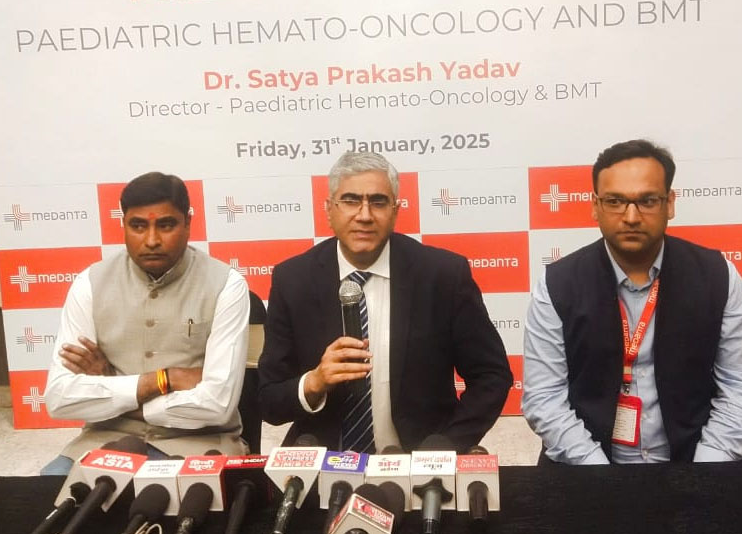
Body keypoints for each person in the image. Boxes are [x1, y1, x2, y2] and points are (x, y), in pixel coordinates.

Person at [522, 139, 742, 464]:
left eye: (648, 201)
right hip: (587, 463)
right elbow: (544, 398)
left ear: (670, 203)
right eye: (615, 201)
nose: (632, 216)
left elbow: (740, 385)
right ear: (595, 206)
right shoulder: (557, 285)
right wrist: (599, 474)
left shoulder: (719, 276)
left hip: (696, 458)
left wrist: (704, 472)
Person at [258, 151, 512, 452]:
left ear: (395, 210)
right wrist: (315, 382)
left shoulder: (442, 275)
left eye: (378, 202)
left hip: (418, 463)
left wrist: (446, 445)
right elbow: (269, 400)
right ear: (329, 210)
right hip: (324, 462)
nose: (364, 215)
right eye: (351, 200)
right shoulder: (293, 280)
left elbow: (492, 376)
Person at [42, 172, 249, 473]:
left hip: (198, 444)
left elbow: (218, 405)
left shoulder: (226, 285)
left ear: (188, 223)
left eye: (166, 225)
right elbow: (60, 399)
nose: (152, 241)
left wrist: (114, 390)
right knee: (48, 492)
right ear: (123, 225)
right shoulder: (90, 284)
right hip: (104, 440)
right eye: (138, 226)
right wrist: (163, 380)